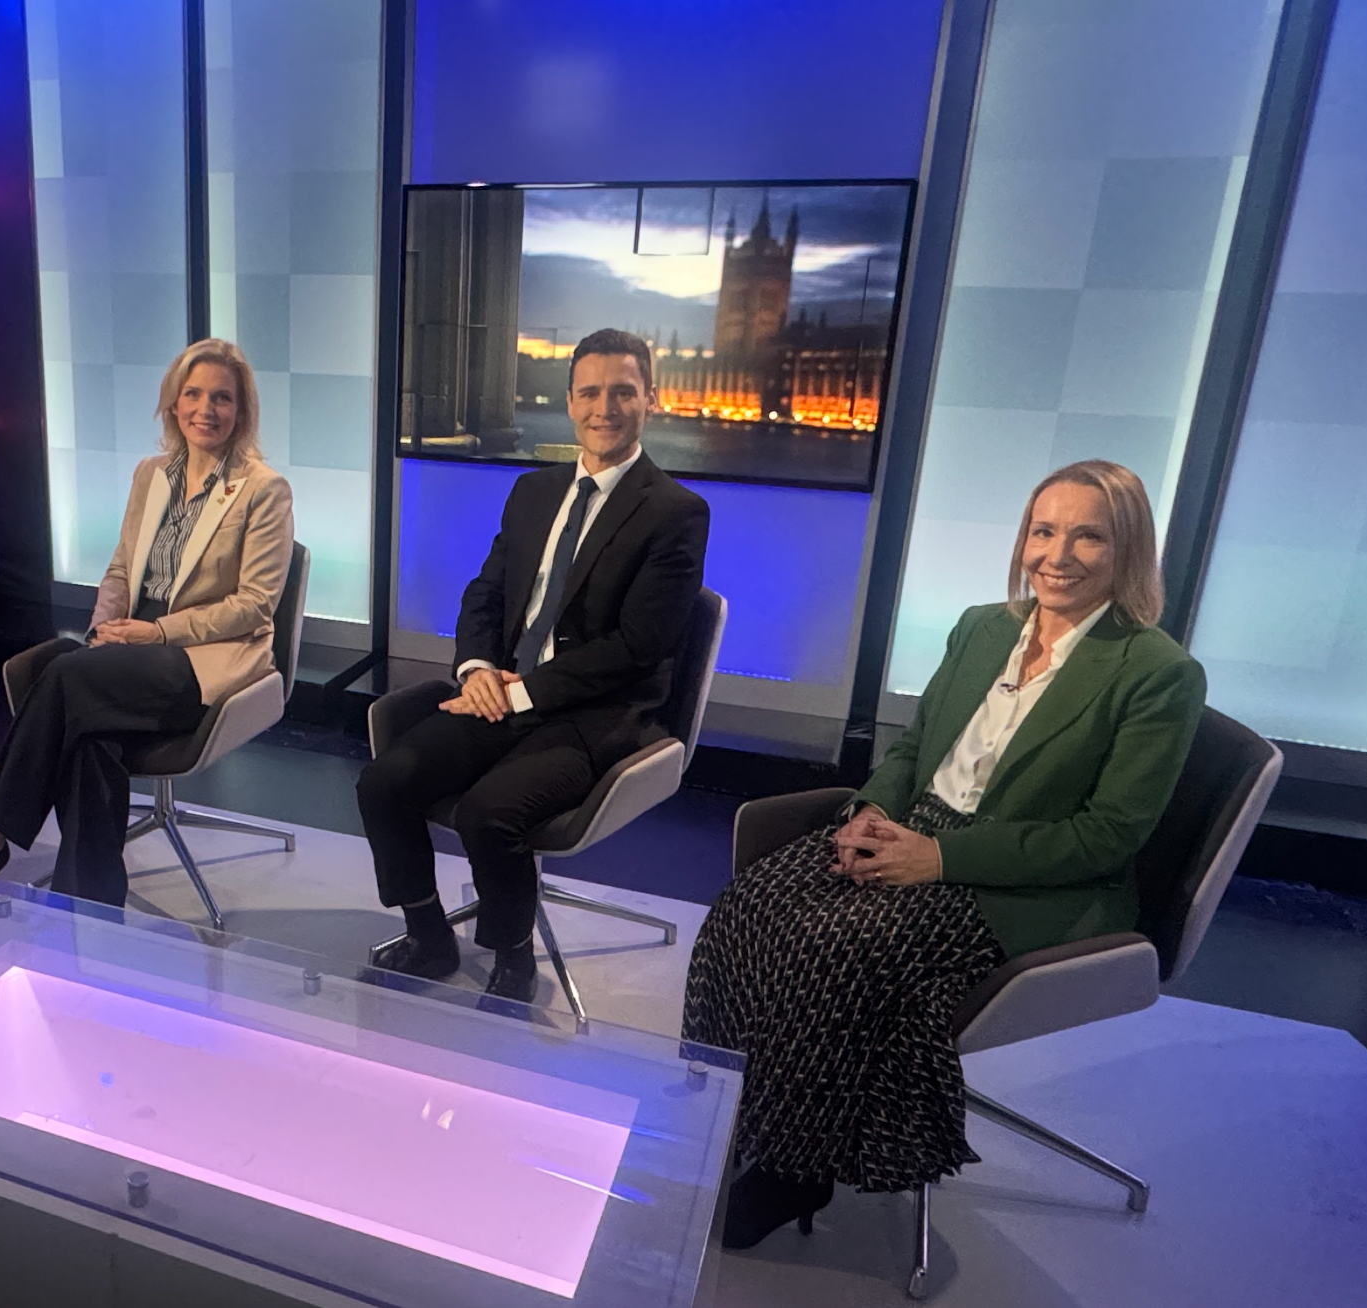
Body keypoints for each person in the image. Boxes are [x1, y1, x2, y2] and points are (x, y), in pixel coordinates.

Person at [682, 460, 1207, 1249]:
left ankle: (799, 1166)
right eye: (1044, 531)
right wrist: (870, 813)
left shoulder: (1159, 674)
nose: (1057, 555)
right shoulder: (982, 627)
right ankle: (738, 1107)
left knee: (831, 947)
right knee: (747, 908)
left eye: (1088, 537)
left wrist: (938, 859)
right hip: (915, 823)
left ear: (1127, 549)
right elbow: (915, 747)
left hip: (1017, 878)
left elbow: (1104, 837)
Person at [355, 328, 709, 1004]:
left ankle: (513, 959)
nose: (604, 408)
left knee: (490, 813)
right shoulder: (532, 491)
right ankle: (429, 936)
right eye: (590, 393)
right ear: (570, 402)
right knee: (383, 783)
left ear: (650, 400)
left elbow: (638, 646)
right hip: (504, 692)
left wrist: (523, 693)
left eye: (623, 392)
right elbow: (486, 593)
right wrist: (477, 670)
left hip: (596, 715)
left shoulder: (676, 512)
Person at [0, 338, 295, 919]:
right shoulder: (151, 475)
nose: (206, 409)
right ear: (172, 403)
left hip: (202, 659)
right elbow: (121, 570)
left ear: (242, 411)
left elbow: (254, 607)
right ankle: (89, 906)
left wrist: (155, 634)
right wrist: (102, 634)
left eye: (223, 398)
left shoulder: (263, 489)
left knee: (64, 675)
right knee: (88, 736)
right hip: (132, 651)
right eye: (193, 394)